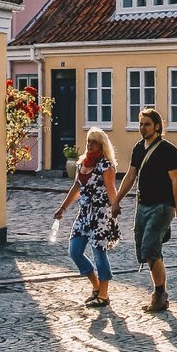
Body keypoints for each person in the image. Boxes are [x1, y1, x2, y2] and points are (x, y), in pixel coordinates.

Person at [112, 107, 177, 313]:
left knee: (150, 248)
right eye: (140, 124)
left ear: (157, 126)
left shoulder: (168, 150)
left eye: (146, 124)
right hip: (143, 205)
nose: (142, 128)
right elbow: (130, 177)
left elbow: (176, 182)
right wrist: (117, 200)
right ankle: (160, 293)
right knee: (148, 250)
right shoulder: (139, 148)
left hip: (163, 206)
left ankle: (160, 294)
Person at [53, 127, 120, 307]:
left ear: (101, 145)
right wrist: (63, 208)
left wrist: (115, 206)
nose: (89, 145)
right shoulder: (82, 163)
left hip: (101, 215)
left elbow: (111, 188)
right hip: (84, 215)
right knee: (74, 251)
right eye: (88, 141)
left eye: (94, 142)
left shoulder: (106, 166)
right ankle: (96, 285)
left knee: (99, 254)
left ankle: (104, 294)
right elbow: (76, 188)